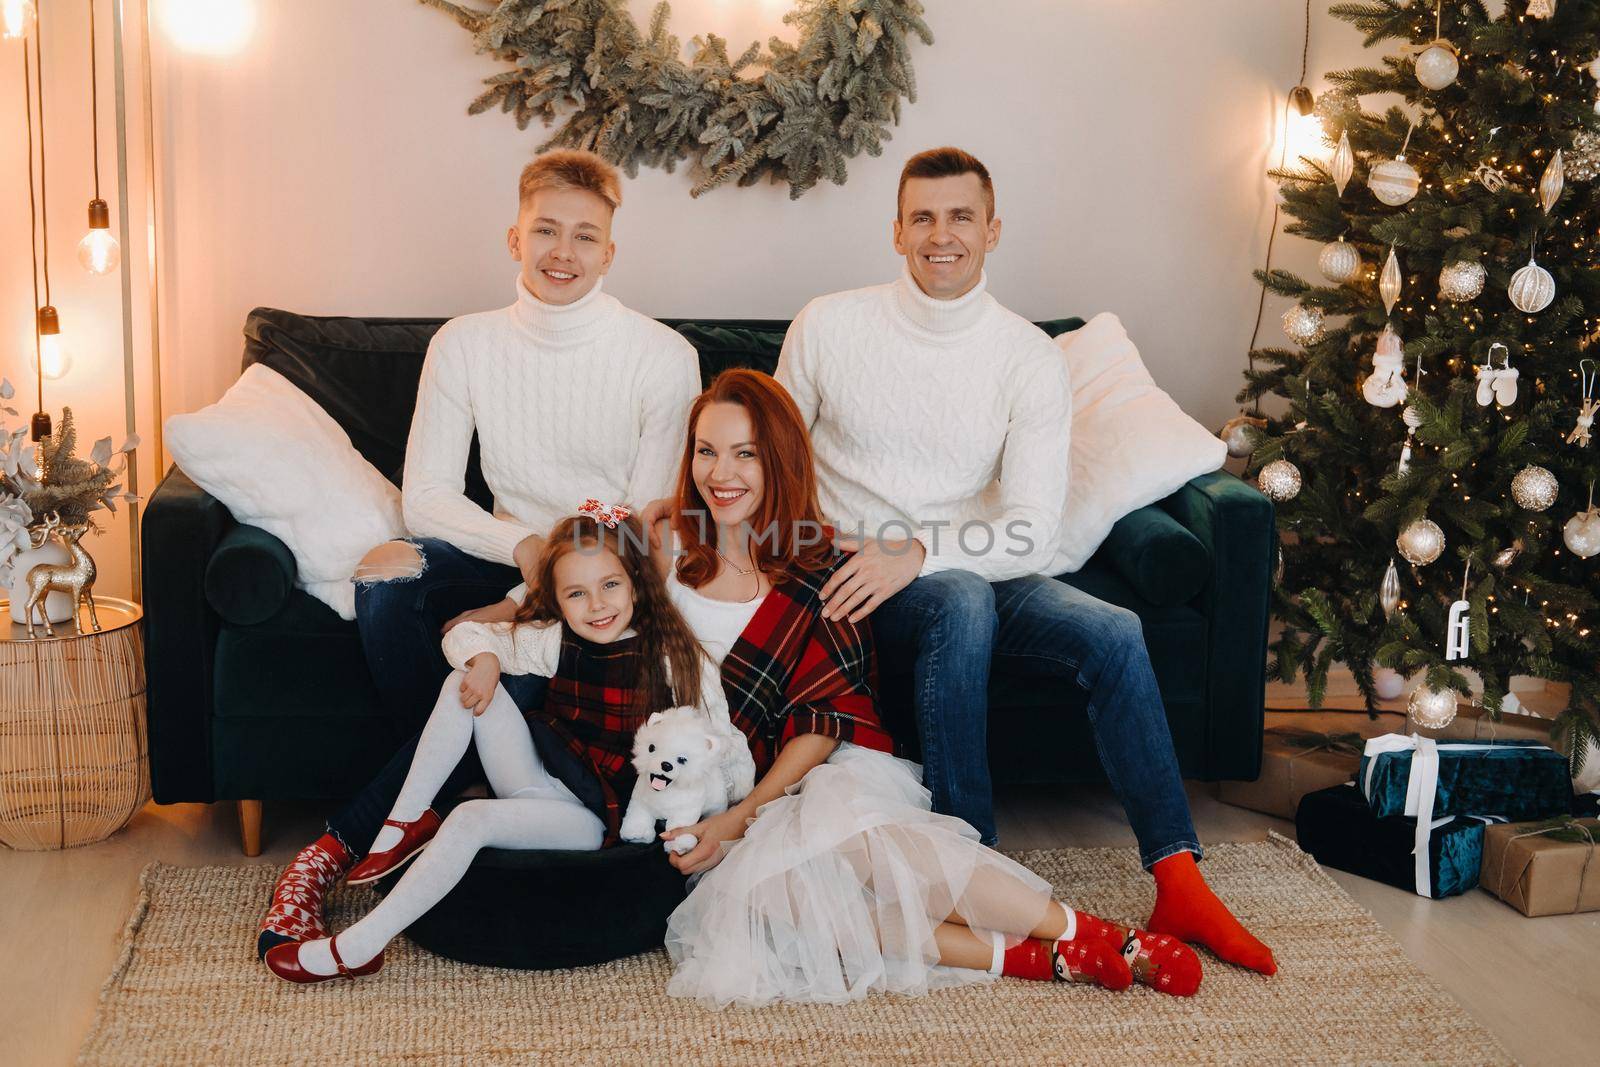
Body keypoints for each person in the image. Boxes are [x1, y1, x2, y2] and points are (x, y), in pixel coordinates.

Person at [769, 146, 1275, 976]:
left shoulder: (1027, 355)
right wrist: (839, 554)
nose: (942, 235)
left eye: (961, 216)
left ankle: (1179, 876)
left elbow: (1033, 533)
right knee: (963, 597)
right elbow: (779, 466)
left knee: (1112, 629)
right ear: (896, 231)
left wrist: (921, 549)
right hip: (856, 580)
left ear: (992, 229)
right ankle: (975, 867)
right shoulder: (828, 323)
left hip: (963, 564)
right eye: (923, 217)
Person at [256, 149, 700, 957]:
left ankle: (336, 846)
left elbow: (641, 524)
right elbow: (424, 495)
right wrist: (525, 546)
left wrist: (560, 568)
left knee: (537, 644)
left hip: (604, 577)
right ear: (514, 236)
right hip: (505, 550)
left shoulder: (663, 357)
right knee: (389, 579)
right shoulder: (465, 343)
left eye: (585, 236)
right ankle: (436, 791)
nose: (563, 253)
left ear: (611, 251)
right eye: (546, 231)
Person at [654, 370, 1202, 1007]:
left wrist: (745, 818)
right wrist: (503, 629)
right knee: (786, 905)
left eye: (745, 453)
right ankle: (1047, 960)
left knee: (854, 840)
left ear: (778, 461)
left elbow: (827, 717)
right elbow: (562, 601)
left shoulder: (820, 564)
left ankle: (1110, 936)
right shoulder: (662, 560)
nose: (721, 472)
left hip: (810, 770)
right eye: (707, 449)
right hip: (719, 779)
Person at [263, 508, 722, 983]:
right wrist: (485, 660)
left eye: (610, 585)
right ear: (559, 602)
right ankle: (405, 817)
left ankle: (359, 945)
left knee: (467, 819)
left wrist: (717, 815)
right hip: (541, 778)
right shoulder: (553, 639)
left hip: (592, 816)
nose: (597, 606)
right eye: (576, 594)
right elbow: (466, 633)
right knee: (464, 682)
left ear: (635, 583)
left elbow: (719, 744)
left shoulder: (673, 658)